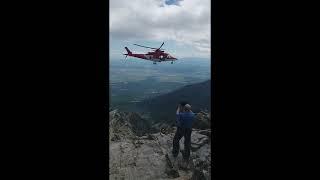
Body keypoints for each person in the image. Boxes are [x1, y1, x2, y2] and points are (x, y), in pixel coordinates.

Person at [172, 103, 195, 168]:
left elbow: (177, 115)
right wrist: (189, 109)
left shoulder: (182, 115)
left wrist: (178, 108)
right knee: (187, 142)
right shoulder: (193, 115)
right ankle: (186, 156)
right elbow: (190, 112)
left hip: (181, 129)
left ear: (184, 109)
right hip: (189, 130)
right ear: (190, 110)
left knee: (176, 139)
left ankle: (175, 153)